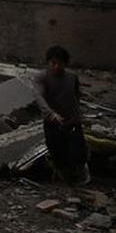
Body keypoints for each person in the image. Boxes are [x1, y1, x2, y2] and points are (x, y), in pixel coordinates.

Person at [34, 45, 88, 184]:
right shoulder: (42, 78)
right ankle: (66, 180)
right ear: (48, 63)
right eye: (53, 63)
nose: (57, 66)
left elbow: (76, 96)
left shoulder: (72, 77)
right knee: (58, 154)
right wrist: (50, 114)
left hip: (72, 121)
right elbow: (39, 97)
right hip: (53, 122)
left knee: (79, 152)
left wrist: (78, 115)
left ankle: (82, 178)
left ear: (66, 63)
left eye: (60, 63)